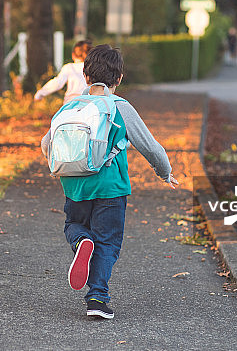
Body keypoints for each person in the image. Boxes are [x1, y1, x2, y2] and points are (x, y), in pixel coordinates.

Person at [40, 44, 178, 320]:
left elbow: (47, 143)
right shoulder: (120, 107)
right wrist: (165, 172)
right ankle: (97, 299)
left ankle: (81, 242)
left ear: (86, 76)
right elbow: (151, 148)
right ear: (119, 78)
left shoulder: (72, 105)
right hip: (111, 188)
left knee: (74, 225)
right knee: (108, 242)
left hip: (74, 185)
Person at [34, 39, 91, 104]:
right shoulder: (92, 68)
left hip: (71, 104)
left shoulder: (69, 67)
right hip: (88, 103)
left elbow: (57, 83)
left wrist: (40, 93)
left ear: (73, 55)